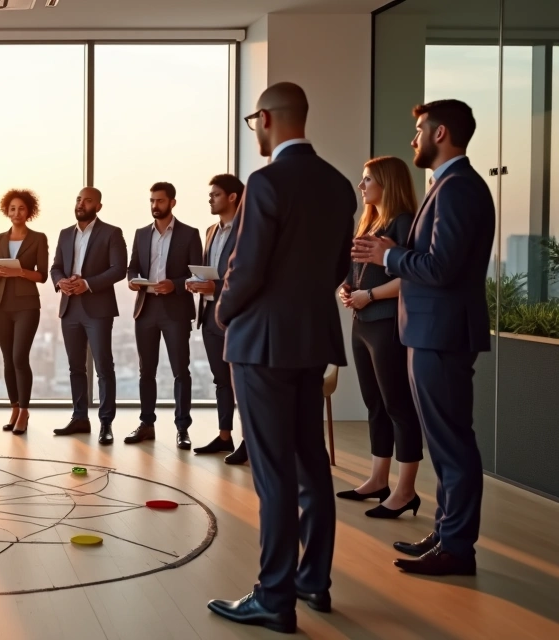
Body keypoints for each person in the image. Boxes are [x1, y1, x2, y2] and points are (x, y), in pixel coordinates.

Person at [206, 82, 355, 634]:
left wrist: (224, 311)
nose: (256, 132)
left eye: (254, 122)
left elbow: (247, 267)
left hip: (262, 343)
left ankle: (274, 596)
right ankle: (313, 580)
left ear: (265, 119)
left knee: (273, 473)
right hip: (312, 338)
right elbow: (338, 266)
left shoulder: (266, 182)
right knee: (311, 463)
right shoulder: (339, 184)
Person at [353, 99, 494, 576]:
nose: (412, 139)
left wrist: (389, 257)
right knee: (444, 442)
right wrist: (393, 253)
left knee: (452, 444)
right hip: (430, 331)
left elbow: (441, 267)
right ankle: (446, 533)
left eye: (419, 130)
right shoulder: (448, 186)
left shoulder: (458, 188)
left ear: (441, 133)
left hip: (442, 333)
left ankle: (456, 548)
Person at [337, 156, 424, 520]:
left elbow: (411, 277)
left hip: (387, 323)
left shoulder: (403, 222)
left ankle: (406, 491)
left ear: (387, 182)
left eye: (368, 179)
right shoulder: (369, 221)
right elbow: (356, 271)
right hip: (362, 323)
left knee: (398, 407)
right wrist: (347, 288)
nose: (361, 186)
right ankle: (377, 480)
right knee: (375, 404)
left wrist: (369, 296)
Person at [124, 181, 202, 449]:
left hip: (175, 311)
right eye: (152, 201)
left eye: (159, 200)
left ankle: (182, 428)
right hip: (146, 309)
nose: (155, 205)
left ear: (172, 202)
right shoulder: (141, 234)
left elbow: (196, 274)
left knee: (181, 370)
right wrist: (133, 280)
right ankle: (146, 424)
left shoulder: (189, 234)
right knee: (146, 370)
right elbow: (132, 267)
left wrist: (175, 285)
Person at [50, 187, 127, 445]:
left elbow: (119, 269)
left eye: (88, 200)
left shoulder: (112, 233)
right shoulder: (65, 234)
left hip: (98, 309)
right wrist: (60, 281)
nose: (81, 204)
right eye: (78, 199)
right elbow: (56, 267)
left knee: (103, 367)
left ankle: (106, 423)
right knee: (75, 367)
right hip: (69, 307)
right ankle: (80, 418)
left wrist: (88, 284)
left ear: (98, 206)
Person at [189, 174, 248, 464]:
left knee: (244, 384)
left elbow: (247, 274)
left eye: (215, 195)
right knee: (221, 380)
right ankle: (225, 436)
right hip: (210, 316)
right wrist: (196, 282)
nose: (210, 199)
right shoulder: (211, 230)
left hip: (238, 316)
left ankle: (250, 441)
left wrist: (214, 287)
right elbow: (212, 269)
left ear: (233, 197)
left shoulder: (249, 229)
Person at [0, 189, 49, 435]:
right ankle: (14, 407)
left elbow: (42, 275)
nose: (16, 212)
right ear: (7, 211)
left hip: (27, 306)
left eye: (21, 208)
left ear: (29, 211)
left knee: (19, 358)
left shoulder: (38, 238)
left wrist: (19, 271)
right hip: (1, 305)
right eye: (12, 208)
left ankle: (24, 410)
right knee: (7, 359)